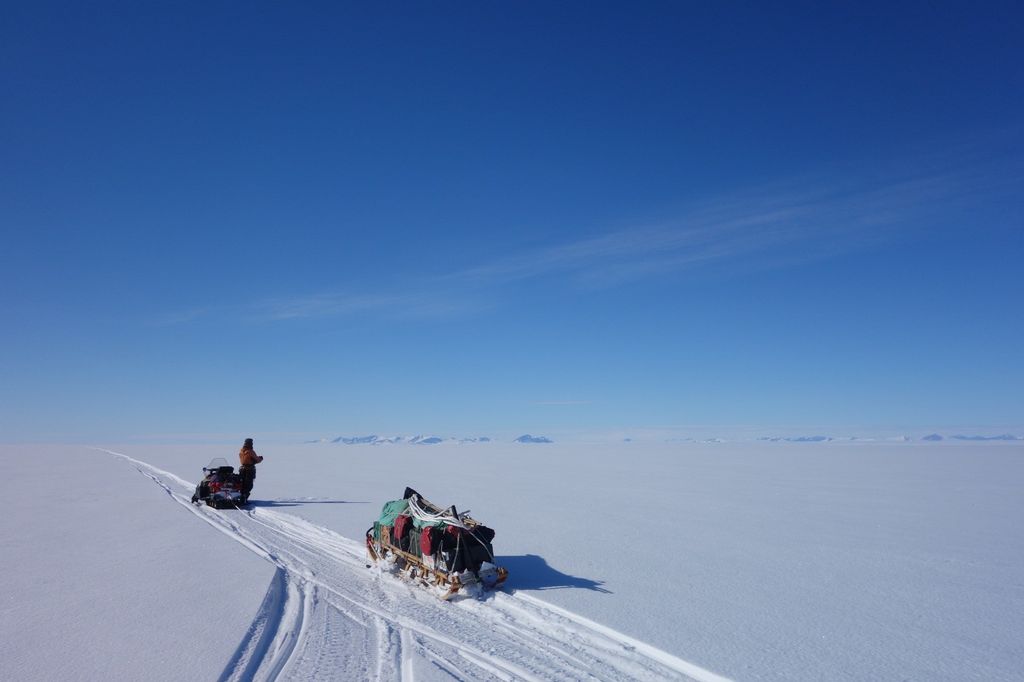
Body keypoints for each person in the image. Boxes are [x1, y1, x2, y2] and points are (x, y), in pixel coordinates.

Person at [238, 437, 264, 504]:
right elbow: (257, 460)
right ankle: (244, 498)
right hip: (249, 470)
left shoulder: (241, 451)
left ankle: (241, 497)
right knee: (249, 484)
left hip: (242, 469)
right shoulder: (250, 451)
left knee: (242, 484)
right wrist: (260, 458)